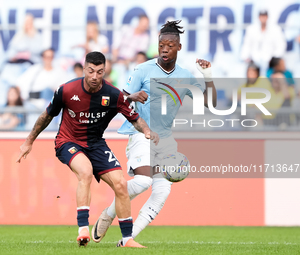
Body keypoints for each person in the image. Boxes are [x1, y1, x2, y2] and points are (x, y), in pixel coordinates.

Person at [92, 20, 217, 245]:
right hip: (140, 131)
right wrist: (133, 96)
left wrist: (207, 77)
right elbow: (118, 98)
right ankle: (109, 214)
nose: (165, 49)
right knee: (142, 181)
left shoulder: (185, 76)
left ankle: (126, 242)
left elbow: (209, 104)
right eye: (161, 45)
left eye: (170, 45)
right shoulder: (143, 69)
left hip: (165, 138)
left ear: (179, 47)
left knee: (162, 192)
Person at [16, 51, 159, 248]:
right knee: (85, 171)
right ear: (84, 69)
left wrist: (146, 131)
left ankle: (127, 239)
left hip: (96, 144)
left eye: (99, 72)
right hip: (68, 141)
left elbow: (134, 118)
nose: (94, 76)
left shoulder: (113, 94)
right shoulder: (66, 90)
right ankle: (83, 228)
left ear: (104, 71)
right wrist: (29, 141)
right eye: (91, 71)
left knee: (121, 184)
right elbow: (46, 115)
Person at [240, 9, 286, 74]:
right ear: (259, 17)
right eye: (261, 16)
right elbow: (246, 45)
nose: (263, 18)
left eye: (265, 16)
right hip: (254, 61)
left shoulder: (275, 29)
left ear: (267, 17)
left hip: (270, 62)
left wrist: (274, 59)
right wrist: (246, 58)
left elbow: (281, 45)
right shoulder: (251, 29)